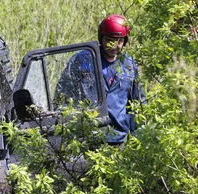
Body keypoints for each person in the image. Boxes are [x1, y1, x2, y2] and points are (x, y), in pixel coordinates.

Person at [56, 14, 144, 145]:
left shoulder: (129, 65)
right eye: (110, 40)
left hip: (118, 138)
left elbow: (138, 103)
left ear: (125, 41)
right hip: (87, 138)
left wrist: (138, 139)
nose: (114, 46)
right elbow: (62, 93)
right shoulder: (83, 60)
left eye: (119, 41)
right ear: (101, 37)